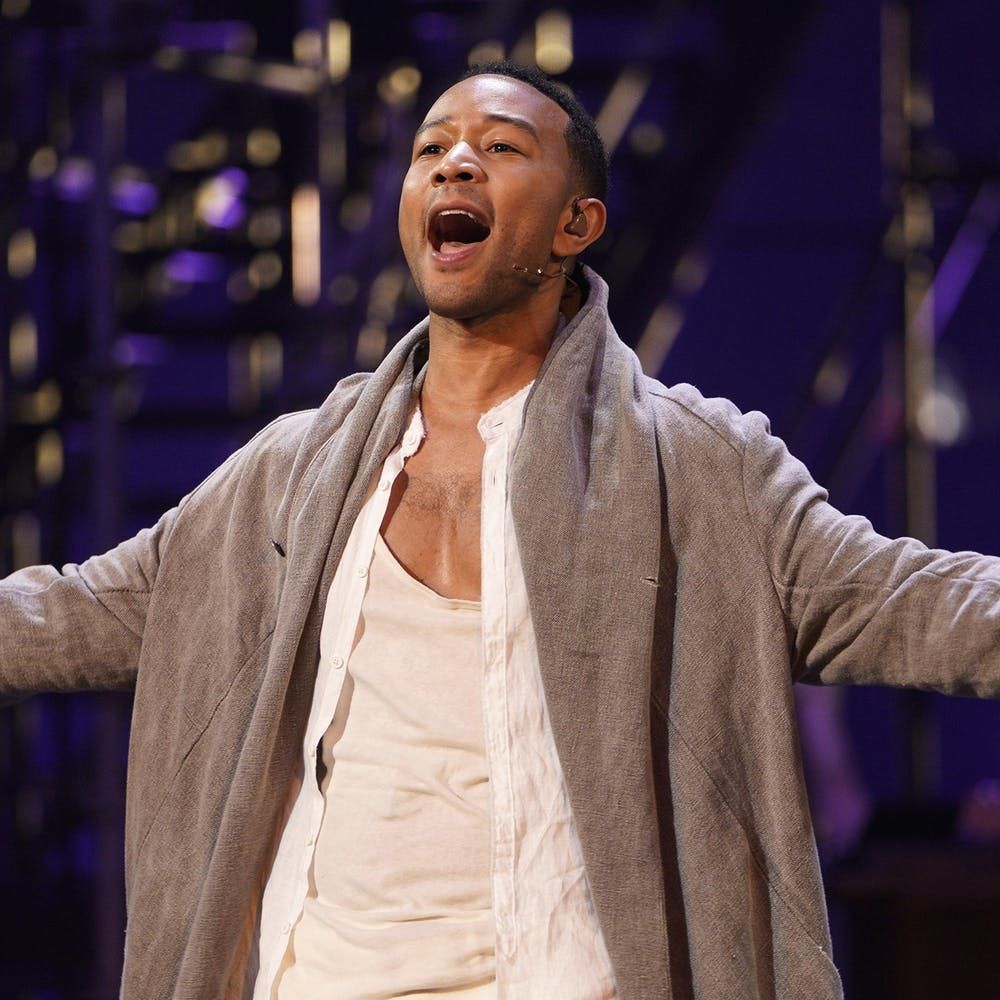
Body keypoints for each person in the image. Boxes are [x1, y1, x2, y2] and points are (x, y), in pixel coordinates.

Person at [1, 59, 998, 1000]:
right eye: (432, 147)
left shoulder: (696, 471)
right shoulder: (287, 477)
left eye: (502, 146)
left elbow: (912, 603)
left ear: (576, 225)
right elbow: (77, 614)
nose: (455, 163)